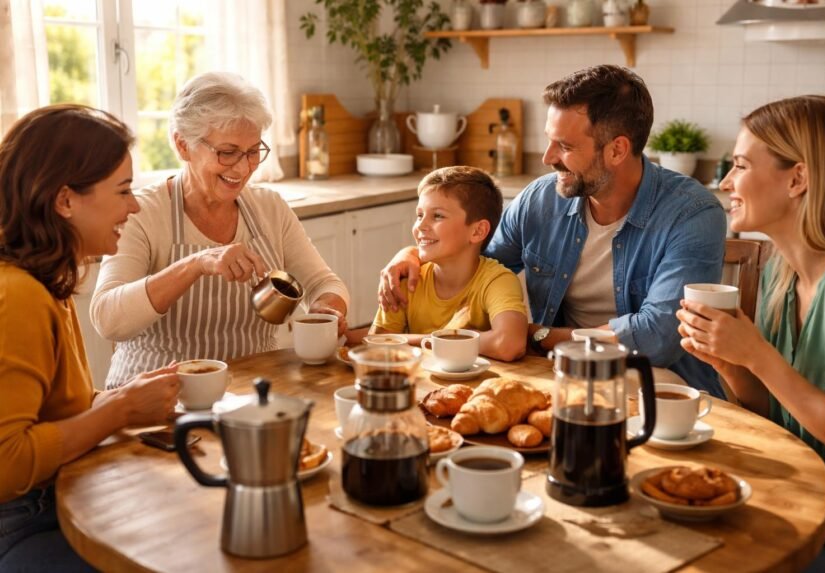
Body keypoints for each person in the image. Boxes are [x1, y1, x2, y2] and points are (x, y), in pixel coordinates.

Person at [379, 65, 727, 395]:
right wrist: (411, 253)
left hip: (662, 388)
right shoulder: (541, 200)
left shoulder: (692, 214)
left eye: (565, 146)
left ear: (617, 150)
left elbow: (658, 337)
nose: (547, 157)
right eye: (549, 140)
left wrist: (543, 336)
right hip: (557, 376)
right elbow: (476, 263)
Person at [677, 95, 825, 569]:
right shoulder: (785, 273)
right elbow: (776, 416)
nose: (725, 183)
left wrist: (758, 356)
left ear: (797, 178)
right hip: (792, 507)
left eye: (739, 166)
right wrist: (732, 365)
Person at [0, 105, 180, 571]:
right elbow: (7, 465)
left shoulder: (44, 280)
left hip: (46, 503)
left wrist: (122, 400)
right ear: (65, 201)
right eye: (123, 190)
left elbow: (52, 410)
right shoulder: (18, 296)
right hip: (20, 522)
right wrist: (119, 410)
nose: (135, 205)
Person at [91, 72, 350, 389]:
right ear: (183, 145)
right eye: (227, 152)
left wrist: (327, 309)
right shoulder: (142, 213)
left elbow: (324, 283)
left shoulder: (270, 208)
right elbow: (108, 318)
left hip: (253, 391)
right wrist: (195, 264)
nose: (242, 168)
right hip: (157, 399)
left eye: (253, 151)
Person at [355, 166, 527, 361]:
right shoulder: (407, 278)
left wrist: (421, 340)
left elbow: (509, 344)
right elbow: (376, 344)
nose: (420, 226)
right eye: (419, 215)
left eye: (437, 216)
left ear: (478, 231)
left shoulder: (497, 281)